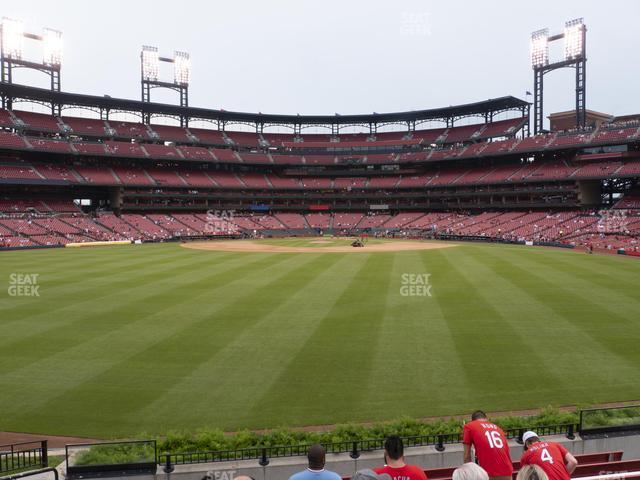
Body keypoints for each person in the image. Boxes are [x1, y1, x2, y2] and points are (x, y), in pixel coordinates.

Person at [462, 411, 513, 480]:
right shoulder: (498, 428)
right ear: (486, 419)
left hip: (489, 472)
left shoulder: (469, 426)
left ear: (473, 420)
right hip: (508, 471)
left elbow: (466, 456)